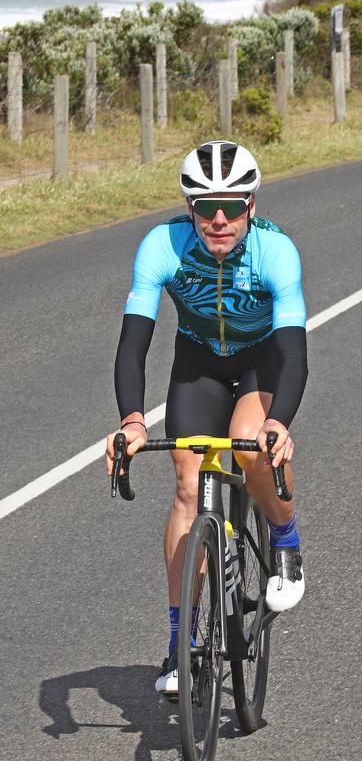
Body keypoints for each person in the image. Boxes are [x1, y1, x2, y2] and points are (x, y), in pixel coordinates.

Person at [105, 140, 308, 695]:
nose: (219, 219)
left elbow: (293, 352)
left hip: (261, 362)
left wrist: (280, 422)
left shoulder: (276, 252)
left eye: (233, 206)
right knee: (187, 484)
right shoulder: (161, 247)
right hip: (198, 365)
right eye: (205, 206)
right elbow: (133, 344)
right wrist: (131, 419)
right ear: (187, 206)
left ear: (252, 205)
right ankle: (179, 641)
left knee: (249, 442)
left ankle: (284, 542)